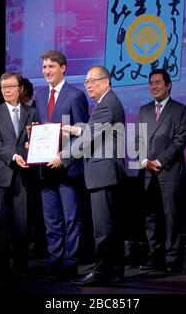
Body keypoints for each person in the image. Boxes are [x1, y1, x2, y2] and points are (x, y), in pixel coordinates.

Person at [63, 65, 126, 286]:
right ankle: (115, 270)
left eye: (93, 80)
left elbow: (90, 137)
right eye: (86, 81)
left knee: (104, 228)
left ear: (106, 82)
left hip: (103, 172)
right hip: (106, 173)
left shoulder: (106, 104)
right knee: (111, 226)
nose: (88, 85)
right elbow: (93, 130)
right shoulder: (107, 103)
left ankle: (101, 273)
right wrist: (75, 129)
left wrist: (63, 158)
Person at [34, 50, 89, 280]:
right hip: (45, 168)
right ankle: (55, 259)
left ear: (63, 68)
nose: (47, 71)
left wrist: (64, 157)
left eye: (51, 67)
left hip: (67, 168)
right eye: (44, 67)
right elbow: (40, 128)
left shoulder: (75, 95)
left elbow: (83, 134)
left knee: (71, 217)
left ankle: (71, 261)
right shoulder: (38, 96)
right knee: (51, 219)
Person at [136, 69, 186, 273]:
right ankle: (154, 257)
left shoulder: (180, 109)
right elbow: (138, 140)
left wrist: (158, 161)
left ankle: (172, 260)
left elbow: (179, 140)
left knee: (171, 217)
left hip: (169, 173)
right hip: (147, 173)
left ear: (169, 85)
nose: (154, 86)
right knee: (150, 217)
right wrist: (144, 161)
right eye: (151, 83)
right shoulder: (144, 110)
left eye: (158, 82)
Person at [0, 71, 37, 278]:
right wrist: (14, 156)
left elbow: (33, 140)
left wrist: (30, 144)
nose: (7, 90)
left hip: (23, 174)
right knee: (1, 223)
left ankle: (21, 265)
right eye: (3, 87)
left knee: (22, 224)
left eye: (11, 86)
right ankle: (2, 265)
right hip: (1, 173)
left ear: (20, 88)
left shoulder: (31, 112)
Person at [19, 77, 46, 258]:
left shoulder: (38, 107)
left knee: (37, 207)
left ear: (23, 89)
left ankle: (38, 243)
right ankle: (25, 241)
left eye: (15, 86)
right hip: (20, 164)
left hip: (38, 166)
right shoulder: (13, 111)